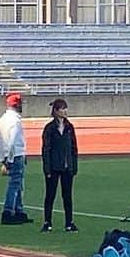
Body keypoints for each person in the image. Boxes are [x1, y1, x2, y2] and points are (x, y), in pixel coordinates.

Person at [40, 98, 78, 233]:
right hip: (54, 167)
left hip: (67, 167)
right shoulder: (49, 128)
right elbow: (46, 149)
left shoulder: (69, 127)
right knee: (50, 195)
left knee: (67, 196)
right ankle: (47, 222)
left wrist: (74, 166)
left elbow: (74, 148)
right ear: (56, 111)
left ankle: (69, 222)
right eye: (62, 108)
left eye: (65, 108)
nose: (65, 111)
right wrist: (47, 168)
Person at [0, 92, 30, 226]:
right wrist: (9, 159)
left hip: (9, 155)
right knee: (15, 184)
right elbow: (12, 141)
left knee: (18, 183)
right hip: (15, 155)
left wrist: (1, 158)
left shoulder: (2, 119)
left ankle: (18, 210)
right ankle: (8, 211)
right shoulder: (15, 121)